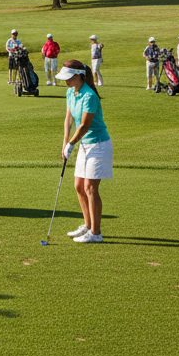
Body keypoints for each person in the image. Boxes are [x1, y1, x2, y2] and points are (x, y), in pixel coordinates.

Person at [56, 59, 112, 243]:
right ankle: (87, 226)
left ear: (79, 76)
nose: (66, 81)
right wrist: (65, 143)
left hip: (98, 145)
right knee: (79, 186)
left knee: (90, 188)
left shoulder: (89, 96)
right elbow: (68, 119)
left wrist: (71, 143)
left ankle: (96, 233)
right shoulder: (70, 92)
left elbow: (84, 125)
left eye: (68, 77)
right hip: (84, 144)